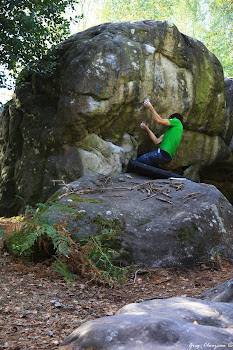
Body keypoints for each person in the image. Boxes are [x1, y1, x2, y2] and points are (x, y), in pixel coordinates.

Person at [135, 99, 183, 166]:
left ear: (174, 118)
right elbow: (156, 141)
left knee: (136, 162)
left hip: (162, 153)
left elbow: (159, 120)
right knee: (145, 163)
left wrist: (150, 107)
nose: (168, 120)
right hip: (167, 158)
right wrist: (147, 128)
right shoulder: (170, 133)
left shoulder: (177, 121)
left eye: (169, 119)